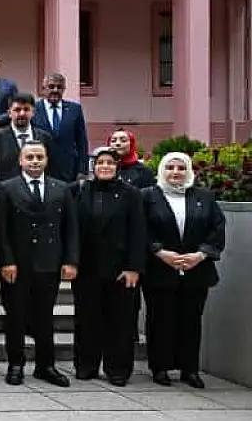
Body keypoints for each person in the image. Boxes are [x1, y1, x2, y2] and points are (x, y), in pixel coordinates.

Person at [0, 141, 78, 387]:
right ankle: (16, 364)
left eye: (39, 157)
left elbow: (70, 228)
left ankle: (45, 365)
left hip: (48, 263)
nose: (34, 161)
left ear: (46, 160)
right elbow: (2, 229)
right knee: (16, 317)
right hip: (17, 265)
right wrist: (6, 260)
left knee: (44, 317)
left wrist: (70, 260)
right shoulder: (6, 189)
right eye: (29, 157)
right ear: (20, 160)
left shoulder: (61, 189)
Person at [141, 152, 226, 388]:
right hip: (159, 269)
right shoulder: (148, 196)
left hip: (196, 270)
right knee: (160, 320)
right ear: (162, 171)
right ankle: (160, 367)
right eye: (170, 167)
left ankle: (189, 369)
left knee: (191, 321)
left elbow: (217, 229)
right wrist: (160, 252)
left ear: (188, 171)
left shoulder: (205, 197)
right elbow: (141, 228)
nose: (175, 172)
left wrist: (200, 255)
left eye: (180, 167)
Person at [72, 148, 146, 386]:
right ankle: (86, 365)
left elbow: (138, 232)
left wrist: (134, 267)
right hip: (87, 268)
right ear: (93, 166)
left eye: (110, 163)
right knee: (87, 319)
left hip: (120, 269)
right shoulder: (80, 191)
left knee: (120, 321)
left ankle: (118, 369)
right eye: (100, 162)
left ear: (118, 167)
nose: (105, 166)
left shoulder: (132, 195)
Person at [0, 93, 52, 192]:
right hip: (6, 196)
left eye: (26, 109)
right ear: (9, 113)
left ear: (33, 112)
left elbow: (50, 170)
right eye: (17, 110)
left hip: (38, 194)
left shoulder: (44, 137)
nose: (22, 113)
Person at [31, 73, 88, 183]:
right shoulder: (33, 109)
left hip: (68, 171)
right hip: (41, 169)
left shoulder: (75, 109)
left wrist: (82, 170)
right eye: (51, 86)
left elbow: (82, 142)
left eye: (59, 87)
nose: (55, 90)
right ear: (43, 88)